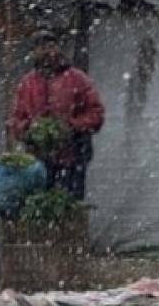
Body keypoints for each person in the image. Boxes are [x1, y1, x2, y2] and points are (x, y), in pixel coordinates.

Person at [7, 30, 105, 199]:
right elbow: (16, 119)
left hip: (73, 157)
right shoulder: (27, 83)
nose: (47, 52)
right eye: (41, 48)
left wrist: (72, 126)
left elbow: (96, 114)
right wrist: (29, 129)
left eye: (51, 46)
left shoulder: (77, 79)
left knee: (70, 202)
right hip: (39, 160)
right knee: (40, 202)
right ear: (34, 53)